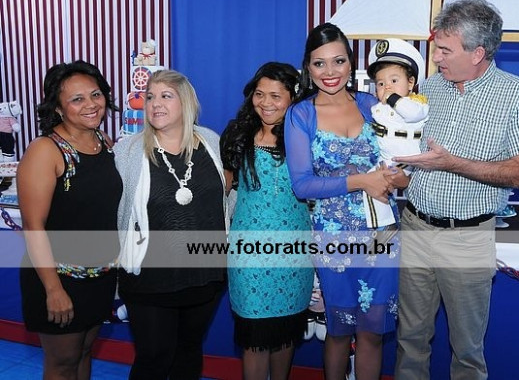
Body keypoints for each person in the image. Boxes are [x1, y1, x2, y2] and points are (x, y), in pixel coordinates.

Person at [393, 0, 519, 380]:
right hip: (414, 227)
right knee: (409, 340)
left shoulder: (517, 94)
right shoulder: (431, 88)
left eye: (445, 51)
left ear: (478, 53)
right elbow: (418, 155)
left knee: (466, 351)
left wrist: (453, 163)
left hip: (467, 239)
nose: (436, 58)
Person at [284, 22, 408, 380]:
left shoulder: (371, 105)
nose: (330, 71)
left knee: (372, 331)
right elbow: (302, 185)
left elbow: (399, 159)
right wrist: (361, 181)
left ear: (351, 64)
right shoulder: (301, 114)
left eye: (338, 61)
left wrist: (398, 177)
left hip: (382, 231)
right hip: (333, 236)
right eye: (319, 63)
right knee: (338, 332)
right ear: (308, 67)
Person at [114, 69, 229, 380]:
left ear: (186, 102)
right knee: (154, 357)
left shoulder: (211, 142)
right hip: (150, 278)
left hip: (205, 275)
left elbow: (225, 199)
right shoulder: (127, 151)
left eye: (166, 96)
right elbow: (118, 212)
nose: (155, 104)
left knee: (188, 352)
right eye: (150, 97)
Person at [17, 60, 121, 380]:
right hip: (58, 277)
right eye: (77, 99)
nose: (91, 104)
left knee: (84, 353)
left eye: (95, 94)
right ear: (58, 108)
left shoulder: (102, 141)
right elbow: (33, 227)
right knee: (62, 363)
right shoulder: (45, 150)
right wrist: (53, 289)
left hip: (100, 276)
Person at [220, 62, 314, 380]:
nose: (266, 102)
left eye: (276, 95)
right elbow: (222, 187)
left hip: (294, 252)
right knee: (255, 337)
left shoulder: (306, 136)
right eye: (259, 94)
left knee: (285, 332)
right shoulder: (238, 134)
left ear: (293, 98)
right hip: (249, 253)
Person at [363, 38, 429, 230]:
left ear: (411, 83)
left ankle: (385, 226)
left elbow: (412, 114)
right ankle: (385, 224)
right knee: (370, 182)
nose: (387, 87)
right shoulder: (378, 108)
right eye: (380, 83)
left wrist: (392, 98)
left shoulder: (415, 104)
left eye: (394, 81)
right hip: (387, 158)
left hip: (407, 158)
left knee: (375, 181)